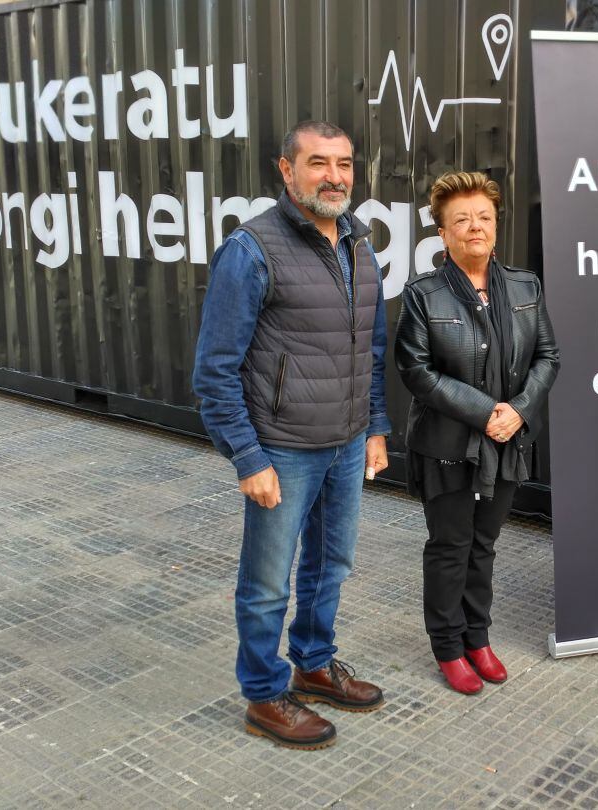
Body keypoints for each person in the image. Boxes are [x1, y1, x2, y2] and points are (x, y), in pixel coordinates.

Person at [193, 121, 391, 749]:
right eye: (318, 163)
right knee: (267, 583)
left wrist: (376, 428)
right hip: (282, 447)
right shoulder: (251, 249)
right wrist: (247, 456)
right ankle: (263, 693)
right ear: (286, 170)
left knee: (332, 565)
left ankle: (313, 662)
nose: (335, 176)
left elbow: (371, 349)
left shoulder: (359, 243)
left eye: (344, 163)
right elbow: (214, 369)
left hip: (347, 440)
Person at [394, 171, 560, 694]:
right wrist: (487, 410)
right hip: (447, 445)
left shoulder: (525, 286)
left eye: (484, 218)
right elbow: (415, 371)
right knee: (451, 544)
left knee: (484, 543)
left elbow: (547, 356)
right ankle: (448, 646)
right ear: (442, 234)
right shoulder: (423, 294)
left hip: (507, 442)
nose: (475, 228)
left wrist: (520, 410)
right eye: (461, 220)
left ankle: (478, 638)